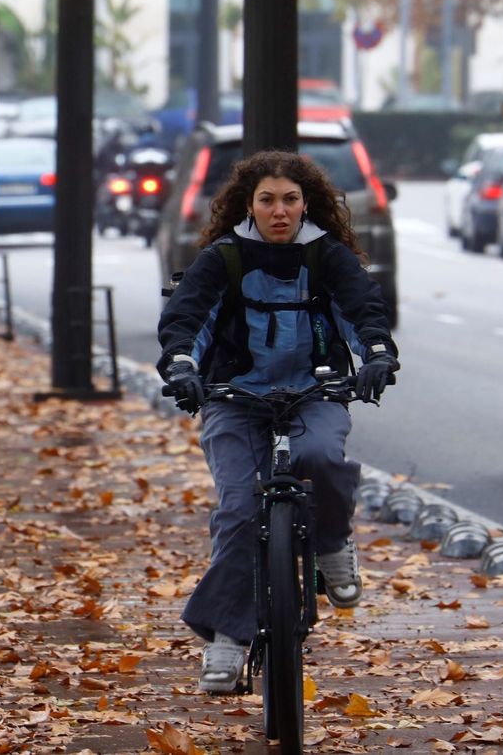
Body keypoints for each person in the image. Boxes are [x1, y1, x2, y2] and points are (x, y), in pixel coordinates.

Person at [156, 149, 399, 694]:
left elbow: (362, 312)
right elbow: (187, 320)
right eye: (267, 200)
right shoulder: (223, 258)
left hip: (315, 391)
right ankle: (226, 640)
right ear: (250, 205)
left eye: (290, 199)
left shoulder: (326, 256)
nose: (280, 210)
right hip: (234, 397)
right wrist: (183, 367)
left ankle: (332, 544)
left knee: (321, 458)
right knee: (240, 512)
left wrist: (378, 357)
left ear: (305, 204)